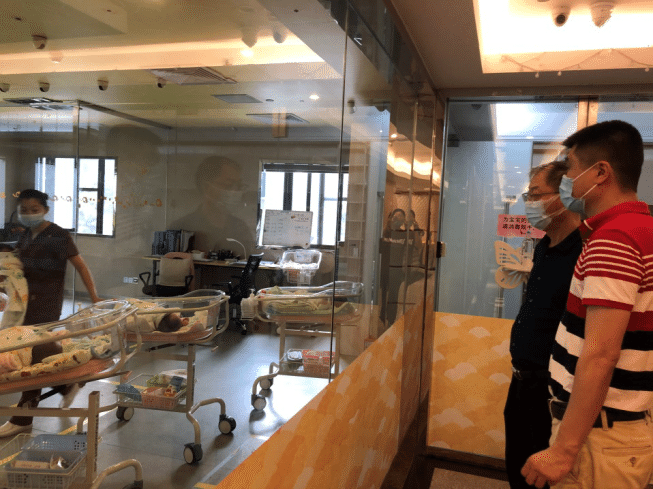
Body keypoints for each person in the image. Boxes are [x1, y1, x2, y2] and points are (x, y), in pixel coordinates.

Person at [522, 120, 653, 488]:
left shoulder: (614, 238)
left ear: (600, 173)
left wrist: (563, 450)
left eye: (572, 168)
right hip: (612, 431)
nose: (567, 179)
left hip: (599, 437)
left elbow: (601, 354)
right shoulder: (640, 229)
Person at [503, 161, 582, 489]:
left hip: (551, 390)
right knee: (517, 467)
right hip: (521, 380)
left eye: (535, 195)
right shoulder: (544, 246)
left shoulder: (583, 251)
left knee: (542, 477)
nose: (529, 203)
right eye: (528, 195)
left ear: (563, 195)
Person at [0, 189, 101, 438]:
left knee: (33, 351)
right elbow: (17, 269)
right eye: (24, 210)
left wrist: (95, 297)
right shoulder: (25, 236)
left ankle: (23, 417)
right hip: (24, 303)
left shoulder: (58, 235)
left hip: (46, 302)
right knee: (34, 351)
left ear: (45, 210)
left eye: (34, 209)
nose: (29, 214)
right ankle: (67, 384)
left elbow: (81, 266)